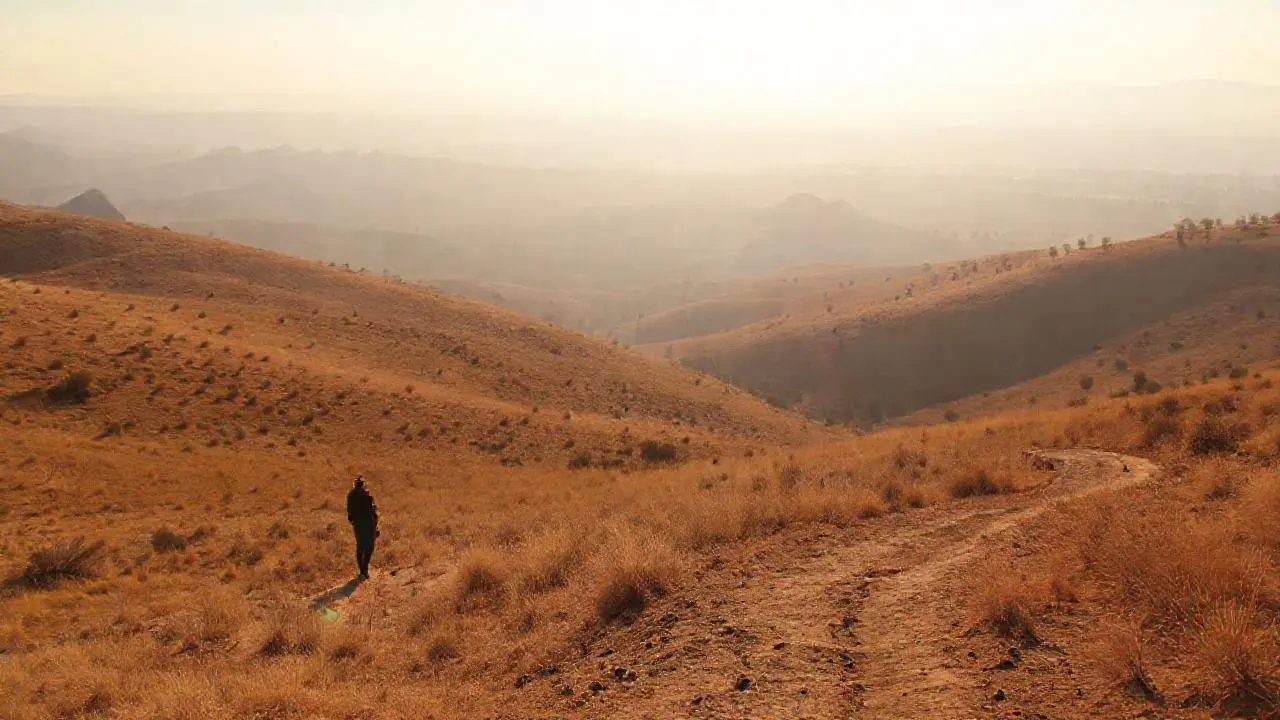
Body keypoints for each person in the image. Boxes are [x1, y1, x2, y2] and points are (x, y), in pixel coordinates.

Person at [346, 476, 379, 578]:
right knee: (370, 546)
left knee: (360, 547)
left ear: (355, 484)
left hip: (358, 525)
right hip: (369, 525)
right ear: (363, 484)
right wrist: (376, 527)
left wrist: (354, 522)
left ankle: (362, 571)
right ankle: (365, 567)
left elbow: (349, 514)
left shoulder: (350, 496)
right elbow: (375, 514)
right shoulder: (368, 496)